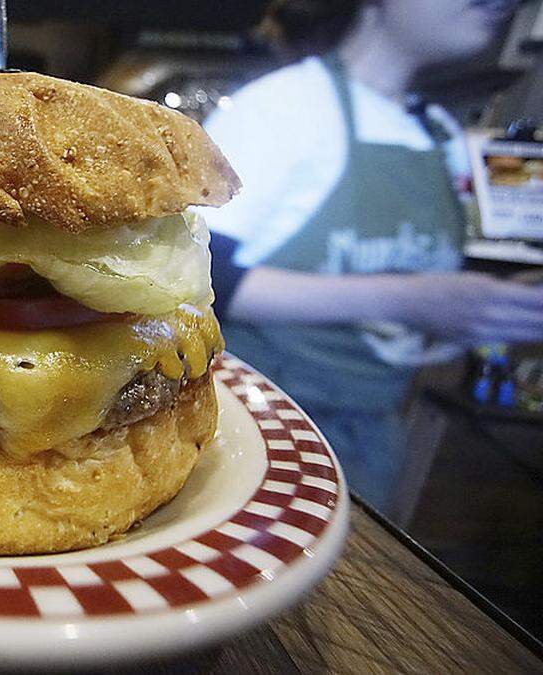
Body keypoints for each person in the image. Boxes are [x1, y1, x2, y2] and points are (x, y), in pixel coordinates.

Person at [202, 0, 543, 509]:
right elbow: (208, 276)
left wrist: (481, 310)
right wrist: (408, 300)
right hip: (267, 433)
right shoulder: (284, 107)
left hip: (376, 431)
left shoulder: (439, 132)